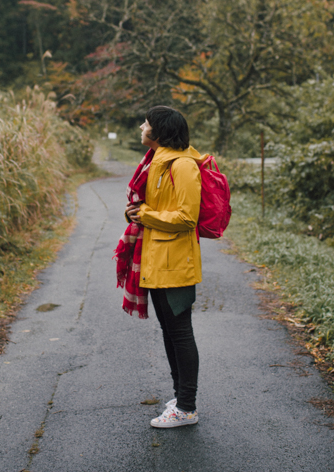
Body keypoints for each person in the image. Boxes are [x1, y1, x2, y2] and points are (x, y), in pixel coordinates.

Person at [115, 105, 207, 428]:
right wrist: (136, 213)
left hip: (175, 264)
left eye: (147, 123)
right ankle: (180, 396)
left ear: (160, 131)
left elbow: (186, 218)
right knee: (169, 332)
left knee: (181, 334)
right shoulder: (156, 161)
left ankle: (187, 407)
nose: (142, 126)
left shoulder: (182, 166)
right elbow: (154, 208)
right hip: (156, 261)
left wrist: (147, 215)